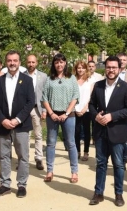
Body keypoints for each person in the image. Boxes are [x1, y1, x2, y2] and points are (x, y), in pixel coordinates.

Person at [88, 56, 127, 206]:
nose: (111, 70)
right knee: (101, 163)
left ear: (119, 68)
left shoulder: (126, 87)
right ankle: (98, 193)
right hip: (101, 131)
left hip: (117, 131)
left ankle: (119, 194)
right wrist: (96, 116)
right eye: (108, 67)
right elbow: (91, 105)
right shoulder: (98, 86)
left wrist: (112, 116)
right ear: (105, 68)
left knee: (118, 165)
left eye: (114, 67)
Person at [0, 50, 36, 198]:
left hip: (21, 125)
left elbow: (30, 102)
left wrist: (17, 119)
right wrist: (3, 120)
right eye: (9, 60)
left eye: (15, 60)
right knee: (4, 156)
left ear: (19, 62)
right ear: (6, 62)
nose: (12, 63)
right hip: (3, 124)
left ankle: (22, 184)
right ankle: (5, 184)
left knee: (23, 156)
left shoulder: (27, 80)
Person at [41, 52, 80, 183]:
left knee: (71, 143)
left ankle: (74, 171)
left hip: (68, 115)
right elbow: (44, 98)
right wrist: (51, 113)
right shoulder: (49, 79)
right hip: (53, 115)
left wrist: (67, 113)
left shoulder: (72, 78)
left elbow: (75, 96)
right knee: (51, 143)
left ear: (65, 63)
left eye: (61, 62)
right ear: (54, 64)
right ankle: (50, 171)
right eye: (57, 62)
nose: (59, 64)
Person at [26, 54, 48, 170]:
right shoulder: (22, 75)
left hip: (37, 109)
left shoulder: (43, 76)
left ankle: (39, 158)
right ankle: (24, 159)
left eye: (33, 62)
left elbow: (45, 94)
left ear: (37, 63)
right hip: (25, 110)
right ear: (26, 62)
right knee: (25, 135)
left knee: (38, 135)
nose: (31, 64)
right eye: (29, 62)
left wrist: (44, 110)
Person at [73, 60, 94, 161]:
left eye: (82, 67)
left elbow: (91, 97)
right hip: (75, 109)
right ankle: (77, 151)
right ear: (76, 69)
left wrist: (85, 108)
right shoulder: (72, 80)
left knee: (86, 131)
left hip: (86, 110)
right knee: (76, 131)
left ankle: (86, 151)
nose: (80, 70)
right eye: (79, 68)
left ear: (86, 69)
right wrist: (76, 109)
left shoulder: (90, 81)